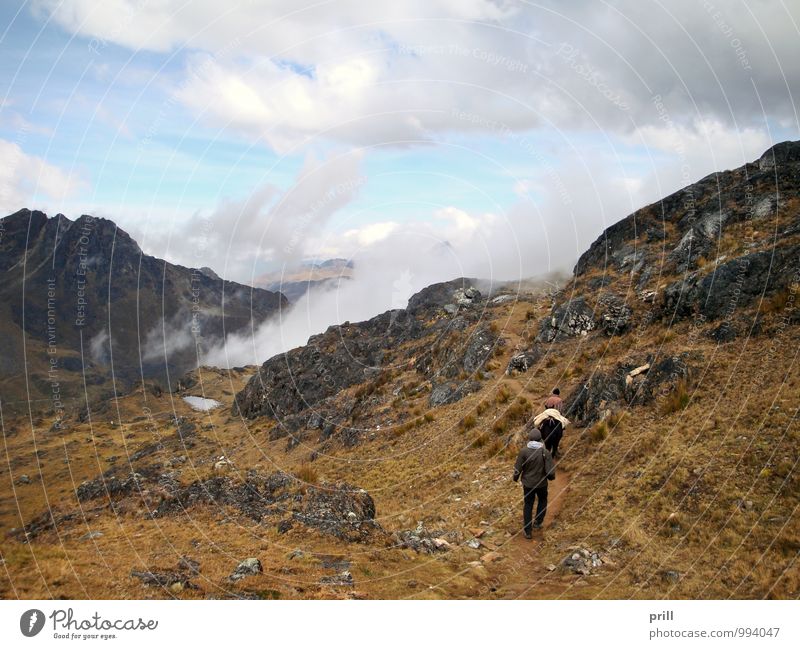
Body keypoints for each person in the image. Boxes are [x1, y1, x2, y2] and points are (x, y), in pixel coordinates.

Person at [512, 428, 556, 538]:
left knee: (528, 505)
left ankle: (527, 531)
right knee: (542, 500)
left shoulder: (524, 452)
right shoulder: (545, 452)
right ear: (540, 439)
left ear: (530, 439)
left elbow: (518, 468)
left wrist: (515, 477)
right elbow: (551, 471)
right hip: (541, 484)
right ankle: (538, 522)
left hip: (528, 484)